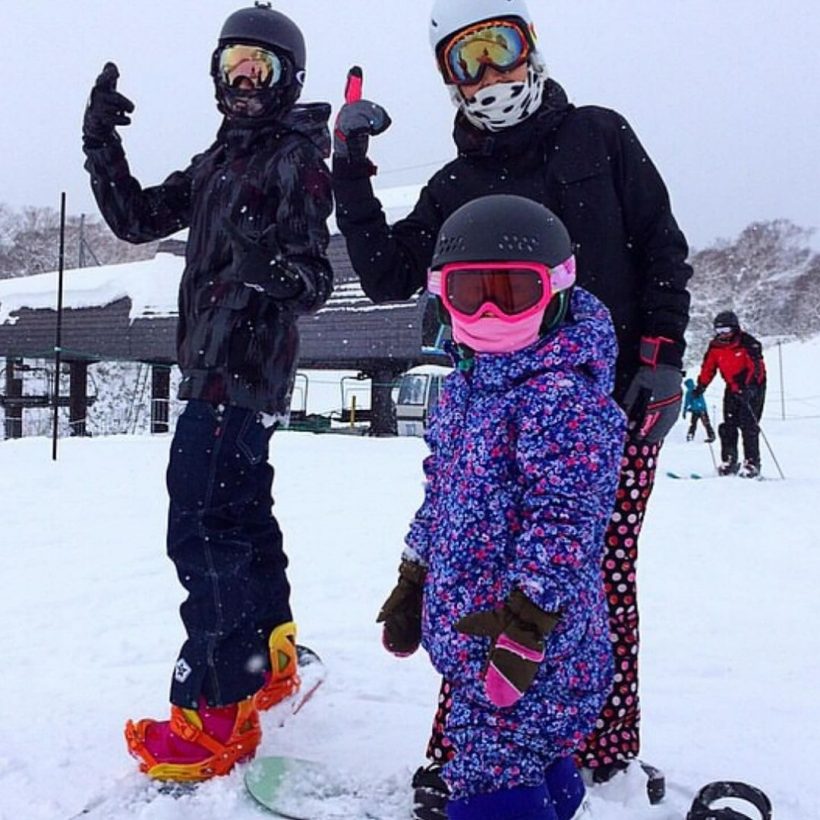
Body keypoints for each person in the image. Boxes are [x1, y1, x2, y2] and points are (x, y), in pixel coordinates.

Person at [332, 0, 692, 801]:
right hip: (493, 400)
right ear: (448, 77)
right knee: (477, 570)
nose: (491, 72)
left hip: (611, 400)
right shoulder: (456, 182)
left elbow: (662, 249)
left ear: (531, 47)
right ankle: (470, 749)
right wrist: (349, 173)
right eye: (468, 59)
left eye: (503, 47)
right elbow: (392, 272)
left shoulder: (601, 136)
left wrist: (660, 358)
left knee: (596, 569)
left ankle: (600, 743)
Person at [81, 2, 333, 780]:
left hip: (243, 371)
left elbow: (313, 279)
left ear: (289, 78)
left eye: (261, 67)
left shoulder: (295, 158)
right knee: (240, 518)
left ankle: (215, 710)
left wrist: (269, 269)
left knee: (201, 526)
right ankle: (270, 661)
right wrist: (101, 144)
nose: (246, 81)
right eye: (234, 67)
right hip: (215, 370)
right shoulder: (225, 156)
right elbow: (138, 218)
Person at [378, 194, 625, 820]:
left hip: (536, 649)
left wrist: (527, 629)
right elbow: (441, 494)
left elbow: (567, 522)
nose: (489, 312)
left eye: (513, 293)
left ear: (558, 292)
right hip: (479, 638)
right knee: (524, 752)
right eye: (470, 294)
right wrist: (414, 577)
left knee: (492, 766)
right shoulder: (466, 390)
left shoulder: (563, 396)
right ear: (441, 297)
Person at [694, 311, 766, 477]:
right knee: (728, 425)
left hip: (753, 387)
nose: (723, 334)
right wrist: (701, 385)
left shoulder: (748, 343)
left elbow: (757, 368)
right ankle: (729, 460)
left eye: (726, 330)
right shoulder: (715, 347)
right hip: (732, 387)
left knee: (748, 425)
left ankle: (752, 463)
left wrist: (750, 388)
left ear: (735, 328)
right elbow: (709, 367)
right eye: (719, 330)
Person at [682, 377, 716, 442]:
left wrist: (685, 411)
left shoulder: (689, 392)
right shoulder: (698, 389)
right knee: (706, 423)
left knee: (693, 424)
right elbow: (700, 401)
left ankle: (690, 436)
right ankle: (712, 436)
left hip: (695, 411)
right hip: (703, 410)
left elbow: (687, 402)